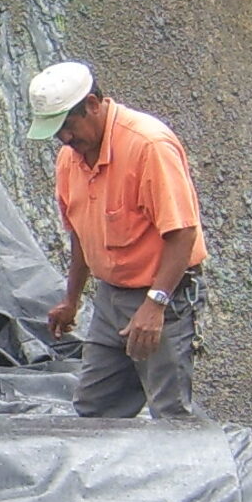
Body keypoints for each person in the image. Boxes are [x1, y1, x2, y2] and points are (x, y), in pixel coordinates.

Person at [29, 61, 208, 418]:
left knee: (170, 411)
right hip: (111, 297)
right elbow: (81, 233)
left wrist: (155, 305)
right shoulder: (70, 159)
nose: (64, 138)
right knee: (95, 408)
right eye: (55, 132)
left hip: (162, 295)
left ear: (93, 105)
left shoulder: (148, 145)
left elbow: (183, 232)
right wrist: (72, 300)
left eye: (68, 125)